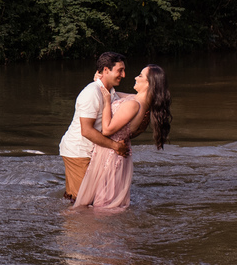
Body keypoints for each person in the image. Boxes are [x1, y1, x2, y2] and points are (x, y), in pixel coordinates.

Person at [72, 64, 171, 210]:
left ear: (149, 83)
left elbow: (106, 130)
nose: (135, 77)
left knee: (102, 203)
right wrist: (101, 82)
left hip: (110, 154)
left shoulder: (133, 104)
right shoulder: (141, 102)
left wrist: (106, 103)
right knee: (107, 199)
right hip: (119, 154)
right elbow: (115, 94)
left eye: (140, 76)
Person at [59, 52, 130, 200]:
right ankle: (66, 222)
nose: (123, 75)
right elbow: (86, 131)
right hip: (78, 152)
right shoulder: (91, 92)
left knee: (92, 199)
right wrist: (115, 146)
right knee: (82, 202)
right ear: (105, 70)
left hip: (92, 151)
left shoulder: (109, 92)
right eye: (120, 70)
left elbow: (134, 100)